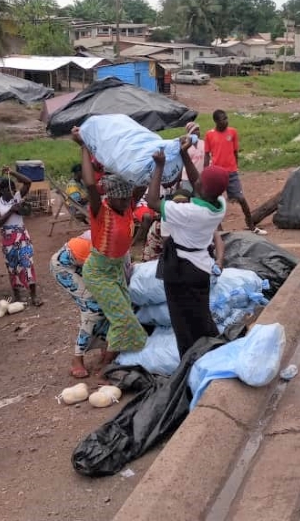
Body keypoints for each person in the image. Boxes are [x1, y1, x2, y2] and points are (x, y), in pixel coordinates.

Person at [72, 126, 147, 373]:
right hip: (99, 271)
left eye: (128, 199)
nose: (127, 203)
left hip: (116, 269)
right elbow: (91, 184)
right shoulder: (99, 211)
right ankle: (105, 368)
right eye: (122, 199)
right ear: (109, 197)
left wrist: (155, 161)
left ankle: (110, 355)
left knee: (125, 316)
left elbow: (141, 182)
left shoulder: (127, 207)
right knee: (121, 318)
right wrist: (83, 145)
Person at [147, 138, 227, 357]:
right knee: (200, 318)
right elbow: (198, 181)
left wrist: (159, 166)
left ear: (201, 188)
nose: (197, 180)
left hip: (182, 270)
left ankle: (191, 364)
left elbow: (152, 200)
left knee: (183, 324)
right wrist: (184, 154)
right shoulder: (219, 205)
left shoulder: (190, 212)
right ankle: (211, 354)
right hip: (201, 266)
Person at [50, 232, 108, 378]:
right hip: (64, 265)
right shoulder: (107, 235)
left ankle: (105, 347)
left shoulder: (123, 229)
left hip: (82, 263)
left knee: (107, 302)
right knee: (93, 307)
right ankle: (77, 359)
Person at [204, 109, 266, 235]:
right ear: (216, 121)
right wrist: (206, 171)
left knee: (241, 199)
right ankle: (218, 231)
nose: (226, 121)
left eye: (227, 118)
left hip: (231, 173)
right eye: (223, 119)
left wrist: (235, 167)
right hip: (217, 174)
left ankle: (251, 226)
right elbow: (207, 154)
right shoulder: (209, 135)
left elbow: (235, 152)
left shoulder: (232, 132)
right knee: (213, 202)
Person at [0, 167, 41, 306]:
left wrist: (11, 172)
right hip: (8, 238)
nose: (12, 191)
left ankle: (33, 295)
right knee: (12, 267)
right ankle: (17, 296)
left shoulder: (17, 197)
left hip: (22, 235)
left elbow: (28, 182)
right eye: (9, 189)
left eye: (13, 188)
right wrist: (11, 211)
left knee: (27, 264)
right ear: (2, 191)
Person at [142, 187, 192, 262]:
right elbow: (168, 244)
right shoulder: (166, 218)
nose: (180, 206)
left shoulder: (193, 217)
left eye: (184, 203)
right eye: (177, 203)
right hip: (160, 251)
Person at [182, 121, 205, 192]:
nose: (198, 132)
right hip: (187, 177)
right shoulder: (185, 145)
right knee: (188, 196)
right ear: (190, 132)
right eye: (195, 130)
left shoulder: (204, 143)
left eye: (198, 130)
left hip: (201, 176)